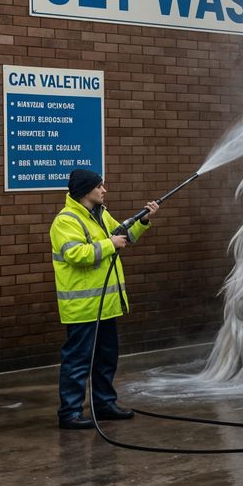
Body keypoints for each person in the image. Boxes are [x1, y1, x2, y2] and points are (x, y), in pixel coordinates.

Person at [51, 169, 159, 428]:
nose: (104, 190)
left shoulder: (100, 215)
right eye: (99, 186)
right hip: (83, 307)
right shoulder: (66, 221)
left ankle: (104, 404)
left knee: (106, 358)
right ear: (86, 190)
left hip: (106, 306)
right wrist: (110, 244)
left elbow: (125, 235)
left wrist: (144, 220)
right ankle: (70, 413)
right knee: (78, 361)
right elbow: (76, 254)